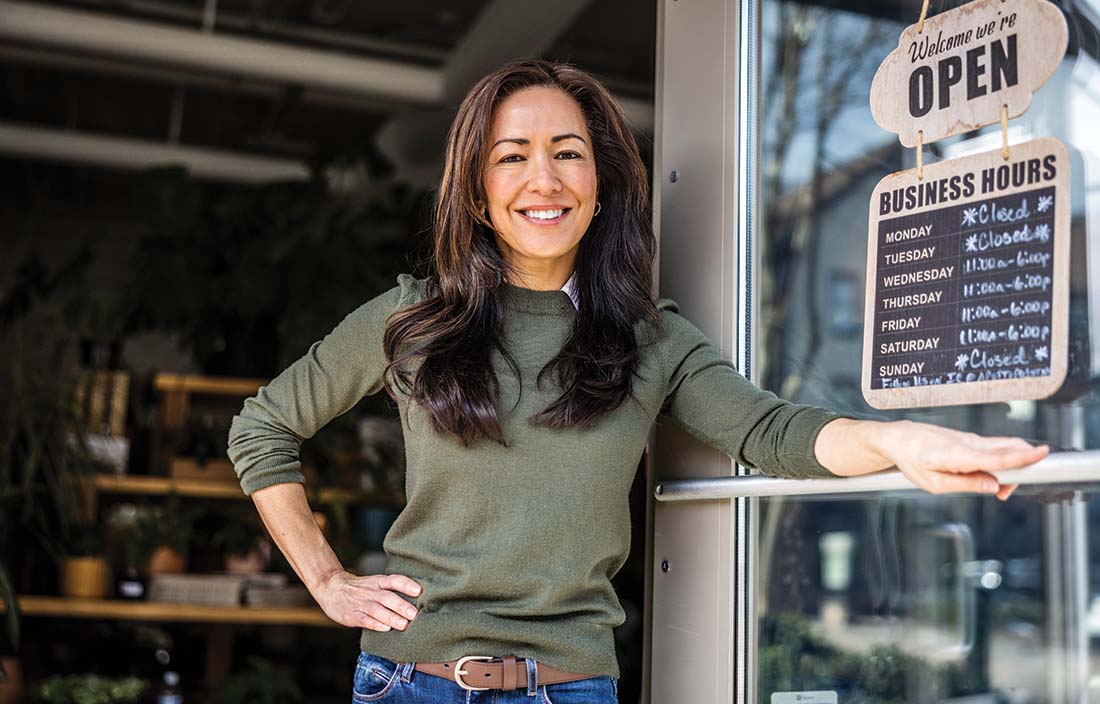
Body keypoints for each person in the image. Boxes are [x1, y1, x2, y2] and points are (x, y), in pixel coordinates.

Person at [226, 58, 1048, 703]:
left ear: (601, 182)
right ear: (478, 193)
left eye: (567, 154)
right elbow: (262, 427)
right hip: (412, 685)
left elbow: (772, 432)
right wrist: (328, 581)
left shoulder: (650, 340)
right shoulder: (412, 321)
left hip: (573, 690)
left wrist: (898, 440)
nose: (542, 180)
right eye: (511, 158)